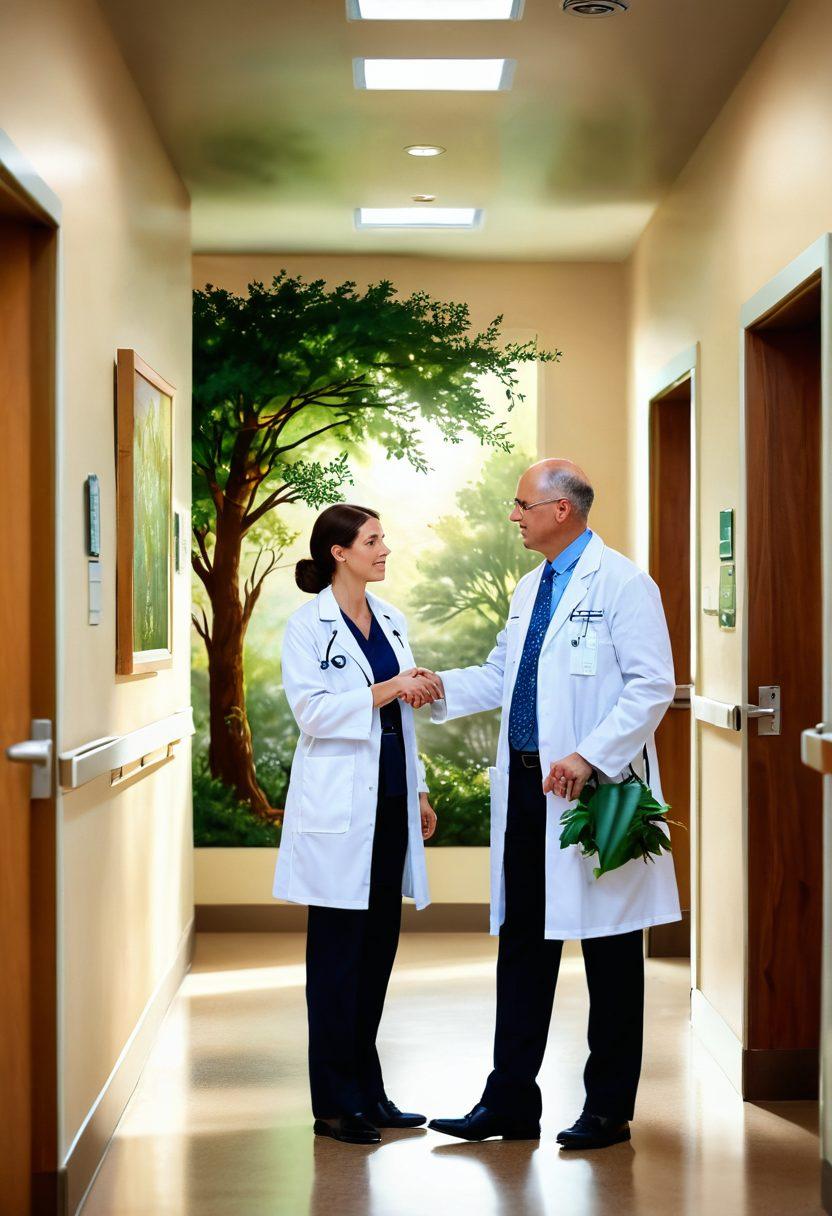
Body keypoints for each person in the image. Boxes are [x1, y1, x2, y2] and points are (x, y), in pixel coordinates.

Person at [421, 459, 681, 1151]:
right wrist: (435, 685)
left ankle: (607, 1111)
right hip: (529, 789)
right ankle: (508, 1101)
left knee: (612, 956)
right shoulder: (530, 586)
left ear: (560, 510)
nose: (514, 515)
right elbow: (504, 675)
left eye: (523, 505)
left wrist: (589, 754)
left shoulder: (624, 583)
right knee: (524, 949)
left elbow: (653, 686)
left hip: (597, 793)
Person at [274, 503, 442, 1145]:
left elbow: (403, 720)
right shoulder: (307, 627)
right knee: (337, 963)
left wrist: (419, 791)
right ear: (339, 552)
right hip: (339, 812)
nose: (384, 549)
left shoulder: (391, 620)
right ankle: (336, 1105)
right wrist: (390, 688)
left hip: (391, 802)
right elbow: (314, 713)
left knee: (376, 955)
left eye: (383, 540)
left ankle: (369, 1092)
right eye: (373, 541)